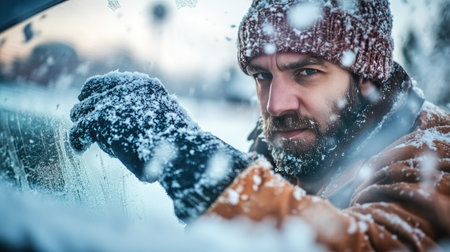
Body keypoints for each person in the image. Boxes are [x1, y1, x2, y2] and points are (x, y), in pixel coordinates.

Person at [69, 0, 450, 251]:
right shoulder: (289, 154)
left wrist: (190, 158)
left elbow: (374, 244)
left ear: (367, 78)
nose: (275, 105)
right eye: (261, 76)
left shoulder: (434, 152)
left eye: (307, 72)